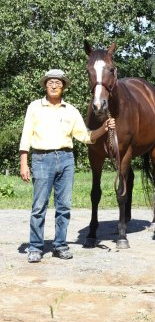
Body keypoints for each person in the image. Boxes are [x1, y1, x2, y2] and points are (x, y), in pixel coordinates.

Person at [20, 69, 115, 263]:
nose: (54, 85)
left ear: (63, 87)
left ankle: (60, 245)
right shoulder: (34, 107)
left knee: (64, 207)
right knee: (39, 207)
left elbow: (85, 137)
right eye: (50, 82)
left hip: (66, 159)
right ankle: (36, 247)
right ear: (45, 85)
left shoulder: (70, 110)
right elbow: (26, 135)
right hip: (41, 159)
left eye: (58, 82)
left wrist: (104, 128)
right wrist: (24, 162)